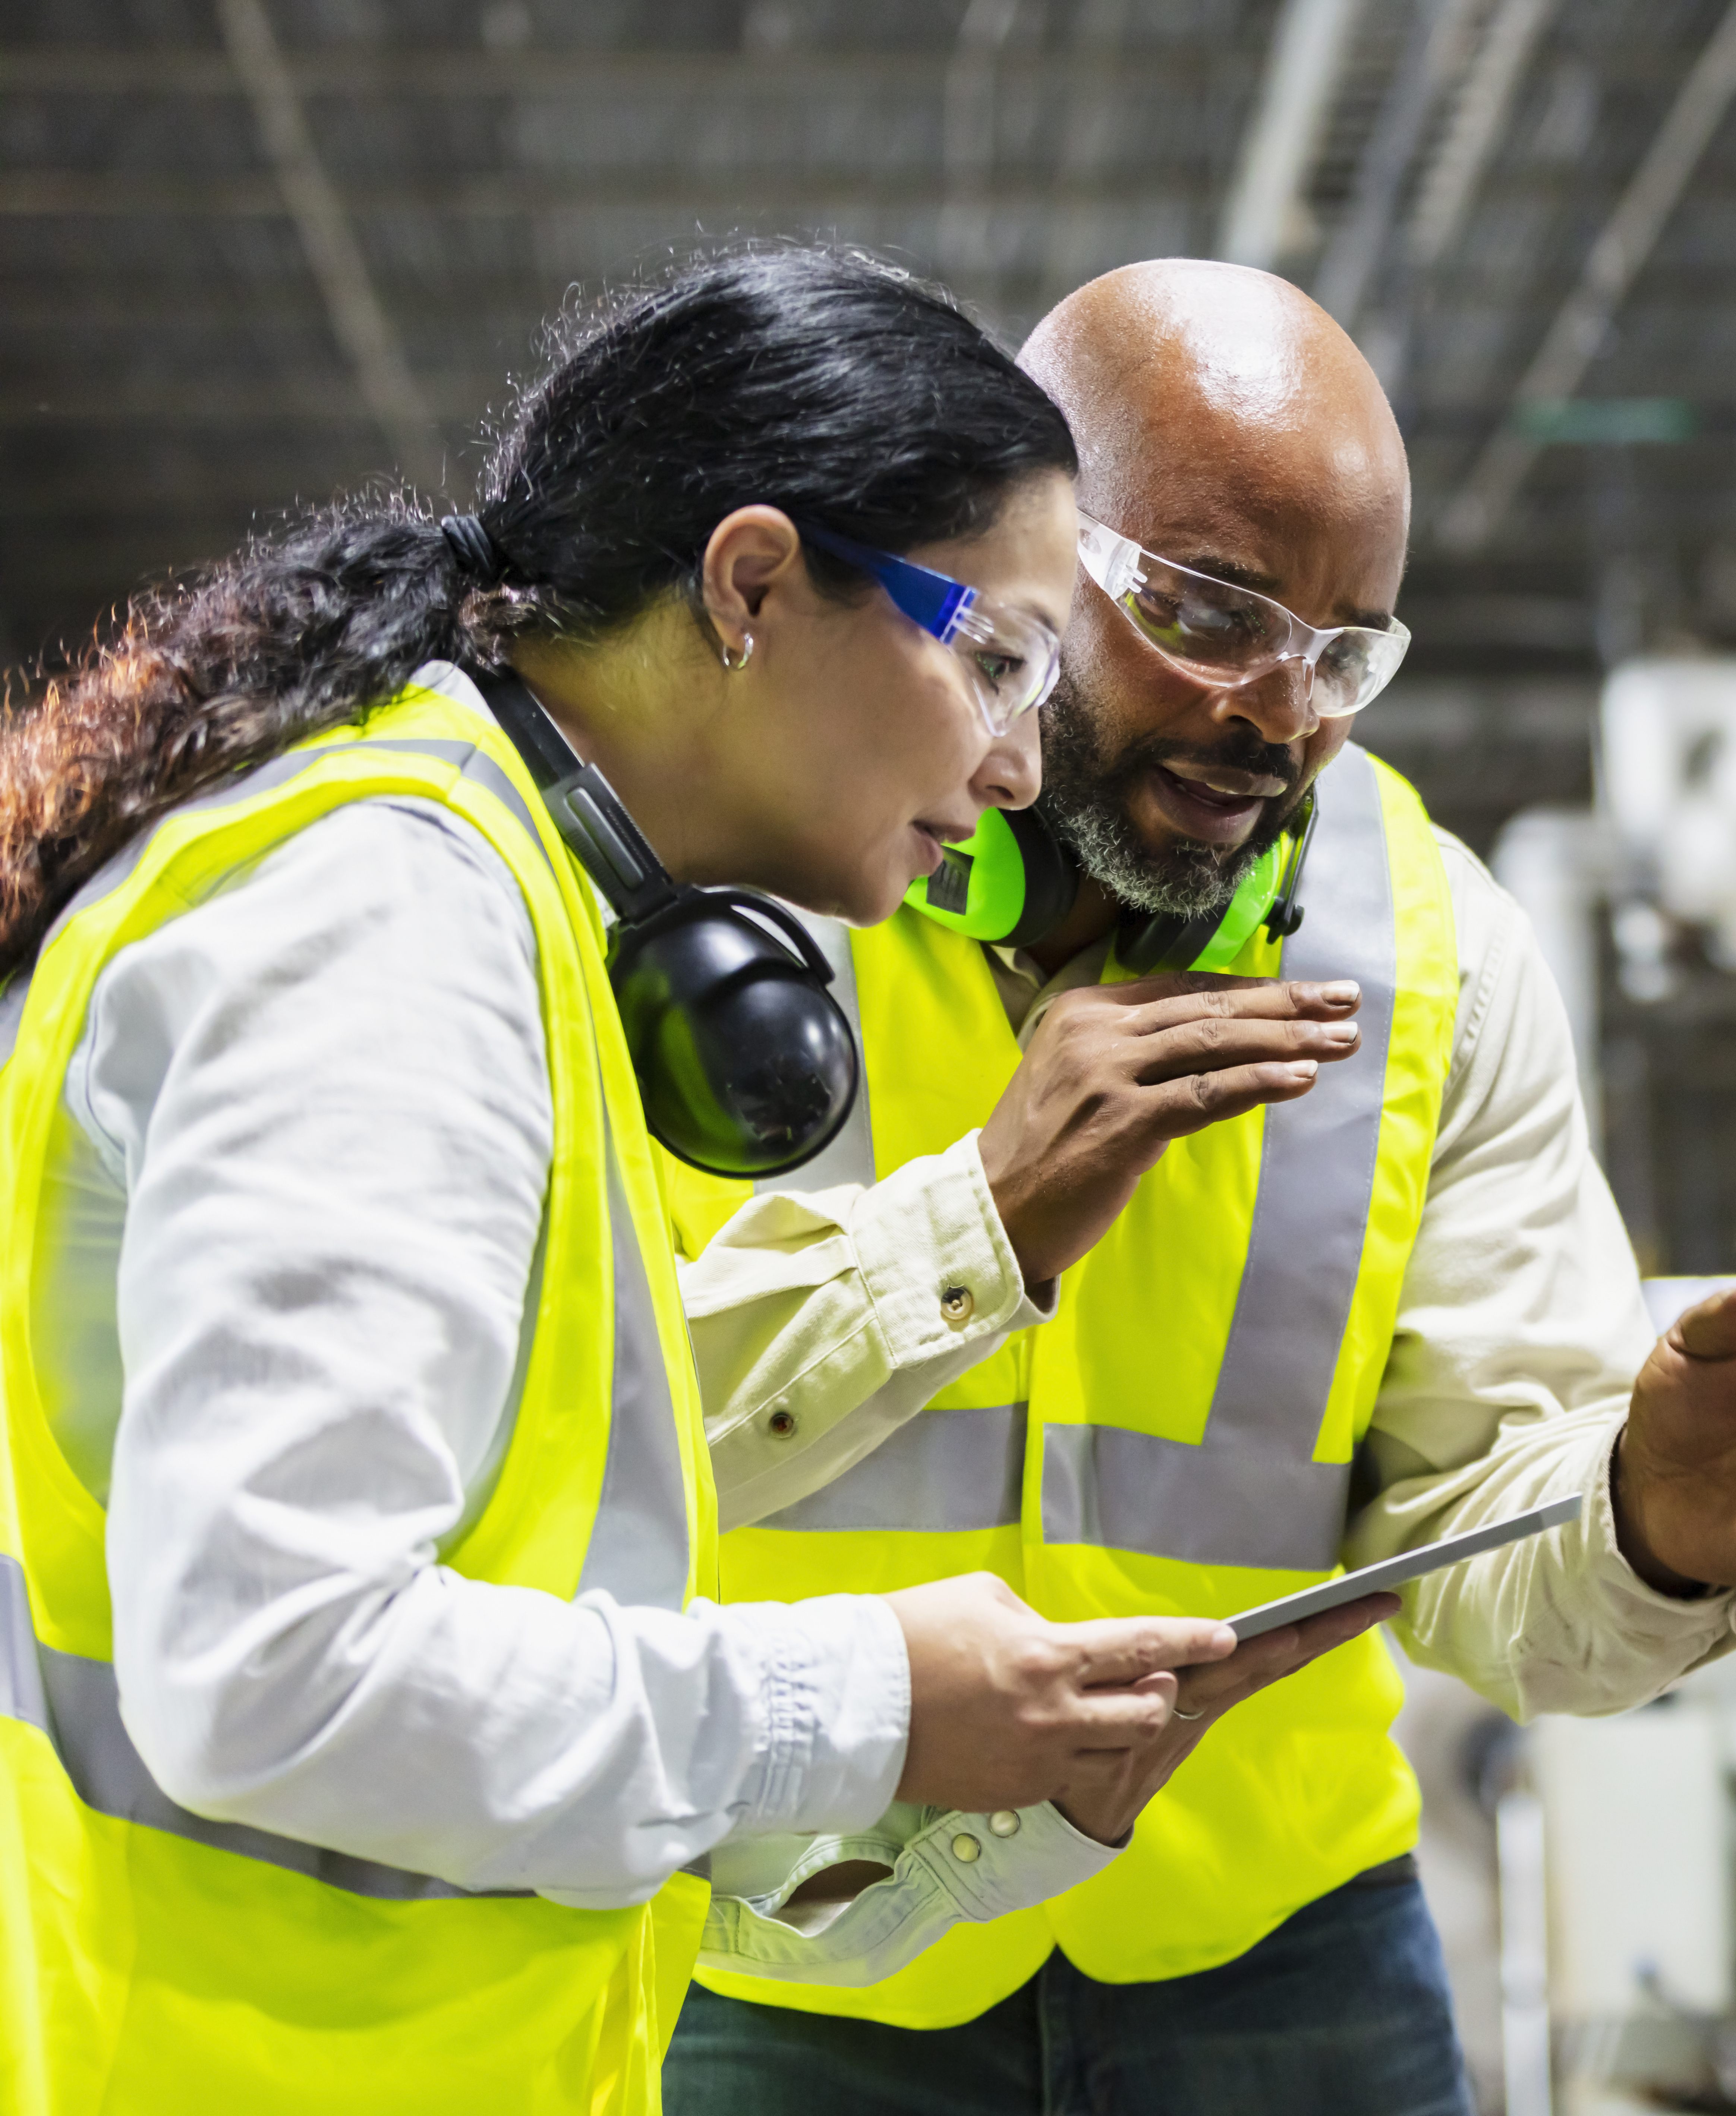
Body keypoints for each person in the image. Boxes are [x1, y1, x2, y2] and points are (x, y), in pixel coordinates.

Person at [0, 248, 1387, 2116]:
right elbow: (281, 1677)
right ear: (750, 586)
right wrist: (873, 1696)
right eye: (988, 657)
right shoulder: (388, 928)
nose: (1005, 761)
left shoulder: (515, 916)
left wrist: (959, 1788)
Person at [658, 258, 1736, 2115]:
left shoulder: (1430, 954)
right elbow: (570, 1429)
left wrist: (1635, 1517)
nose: (1281, 713)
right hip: (774, 1918)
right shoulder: (736, 877)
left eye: (1344, 646)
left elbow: (1480, 1539)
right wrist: (973, 1227)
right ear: (1030, 554)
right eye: (1210, 610)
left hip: (1272, 1954)